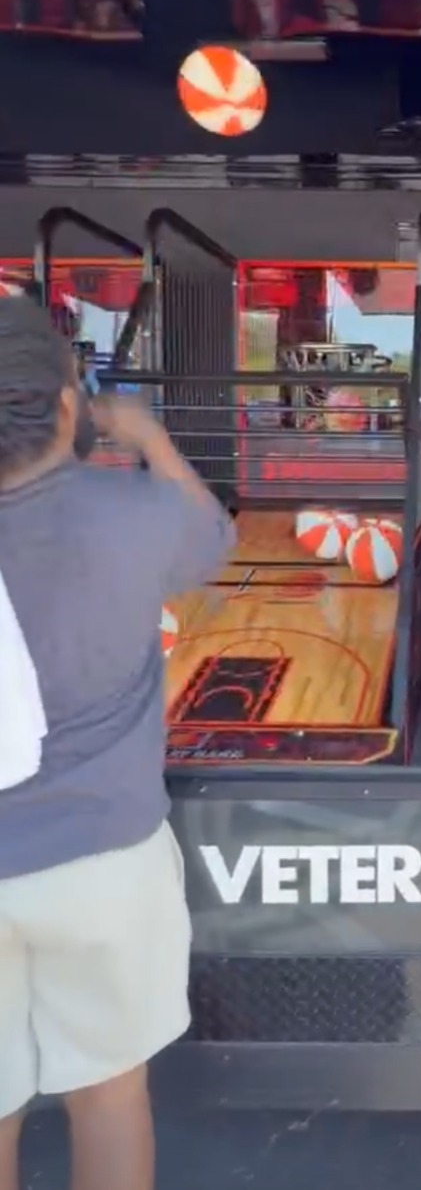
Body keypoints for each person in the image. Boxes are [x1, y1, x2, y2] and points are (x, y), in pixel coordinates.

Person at [0, 295, 235, 1190]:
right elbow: (212, 538)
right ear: (69, 407)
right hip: (101, 860)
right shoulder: (131, 511)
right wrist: (149, 438)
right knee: (107, 1097)